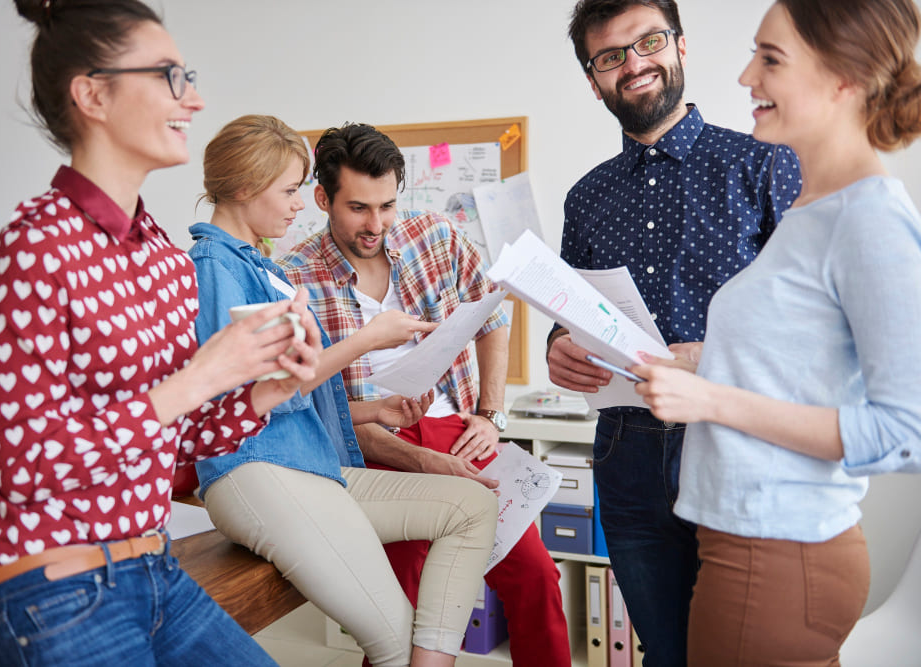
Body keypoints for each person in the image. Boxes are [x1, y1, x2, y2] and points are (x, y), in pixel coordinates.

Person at [0, 2, 323, 665]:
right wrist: (202, 376)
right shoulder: (34, 249)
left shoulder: (163, 261)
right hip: (45, 588)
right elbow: (23, 464)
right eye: (169, 77)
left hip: (151, 568)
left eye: (189, 77)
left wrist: (264, 389)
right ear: (93, 95)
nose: (194, 99)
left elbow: (177, 438)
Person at [631, 0, 921, 664]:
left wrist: (712, 400)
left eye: (771, 59)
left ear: (844, 78)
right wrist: (704, 362)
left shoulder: (869, 220)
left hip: (776, 556)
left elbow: (906, 430)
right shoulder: (811, 210)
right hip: (753, 547)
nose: (745, 77)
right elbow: (805, 359)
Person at [188, 114, 499, 667]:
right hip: (260, 470)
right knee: (392, 639)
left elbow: (298, 394)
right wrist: (367, 339)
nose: (297, 205)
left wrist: (375, 409)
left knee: (472, 506)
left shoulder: (257, 265)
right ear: (244, 188)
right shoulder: (214, 266)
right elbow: (261, 397)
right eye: (289, 190)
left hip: (309, 465)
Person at [546, 1, 802, 664]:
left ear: (680, 46)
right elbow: (570, 312)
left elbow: (814, 324)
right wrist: (558, 349)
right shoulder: (585, 197)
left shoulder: (766, 163)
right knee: (665, 653)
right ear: (594, 80)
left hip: (736, 438)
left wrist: (711, 357)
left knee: (746, 653)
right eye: (611, 56)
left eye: (649, 42)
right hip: (625, 451)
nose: (634, 65)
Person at [279, 123, 571, 667]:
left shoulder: (435, 235)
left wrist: (489, 414)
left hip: (455, 432)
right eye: (358, 208)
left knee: (536, 575)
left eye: (387, 206)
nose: (376, 225)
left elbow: (493, 317)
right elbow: (318, 409)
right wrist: (418, 461)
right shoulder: (294, 278)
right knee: (402, 608)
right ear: (322, 199)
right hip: (371, 448)